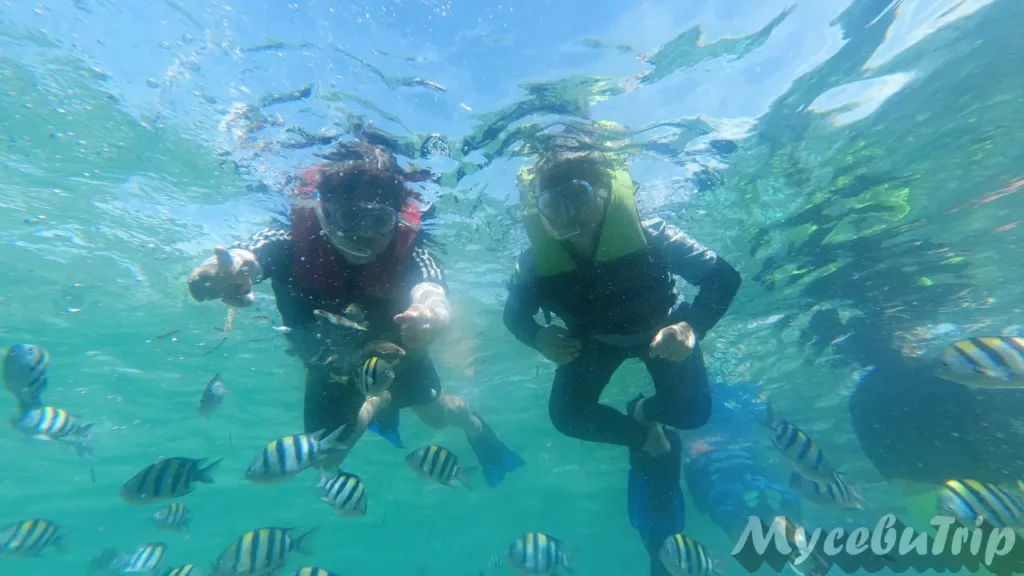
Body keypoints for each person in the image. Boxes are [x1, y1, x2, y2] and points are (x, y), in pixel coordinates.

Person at [187, 141, 524, 487]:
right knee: (326, 458)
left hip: (393, 354)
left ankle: (475, 428)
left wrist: (433, 314)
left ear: (396, 220)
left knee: (436, 417)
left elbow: (432, 286)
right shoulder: (290, 240)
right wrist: (232, 268)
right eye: (350, 216)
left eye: (379, 221)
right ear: (323, 209)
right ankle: (379, 399)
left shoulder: (410, 250)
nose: (364, 233)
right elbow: (253, 253)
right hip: (329, 361)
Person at [502, 149, 741, 572]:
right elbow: (514, 315)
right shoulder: (534, 261)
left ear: (606, 194)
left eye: (578, 196)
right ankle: (643, 436)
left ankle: (644, 410)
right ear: (540, 211)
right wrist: (537, 336)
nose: (568, 214)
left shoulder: (653, 233)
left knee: (693, 414)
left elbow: (723, 277)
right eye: (554, 203)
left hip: (661, 328)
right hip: (591, 341)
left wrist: (692, 327)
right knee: (567, 416)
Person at [681, 380, 801, 540]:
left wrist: (701, 504)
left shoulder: (695, 446)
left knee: (728, 510)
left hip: (719, 481)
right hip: (748, 470)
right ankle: (790, 530)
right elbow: (758, 460)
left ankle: (744, 534)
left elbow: (695, 486)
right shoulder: (732, 437)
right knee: (768, 491)